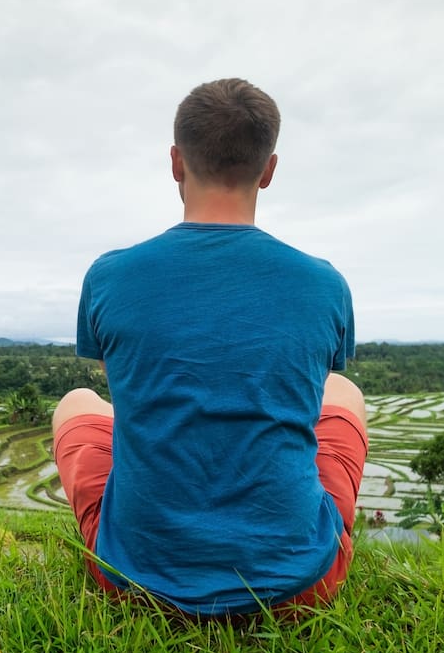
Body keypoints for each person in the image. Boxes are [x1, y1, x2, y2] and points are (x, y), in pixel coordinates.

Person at [52, 78, 368, 618]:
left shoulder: (108, 276)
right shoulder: (324, 283)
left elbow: (127, 390)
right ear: (268, 170)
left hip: (133, 576)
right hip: (301, 584)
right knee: (343, 390)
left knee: (79, 403)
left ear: (176, 163)